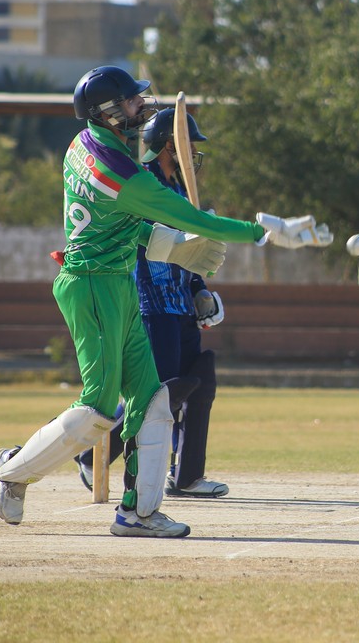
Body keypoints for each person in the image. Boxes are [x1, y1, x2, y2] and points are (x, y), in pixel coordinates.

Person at [0, 65, 332, 538]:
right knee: (98, 408)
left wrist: (175, 248)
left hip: (117, 281)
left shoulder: (84, 144)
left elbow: (121, 225)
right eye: (132, 100)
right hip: (91, 286)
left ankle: (138, 513)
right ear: (109, 112)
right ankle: (12, 470)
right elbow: (192, 218)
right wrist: (265, 231)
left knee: (153, 401)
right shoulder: (124, 174)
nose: (142, 105)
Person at [75, 107, 230, 498]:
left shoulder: (180, 191)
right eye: (187, 145)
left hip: (180, 306)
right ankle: (93, 455)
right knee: (157, 393)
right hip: (151, 305)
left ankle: (187, 475)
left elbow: (188, 253)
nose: (193, 152)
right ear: (167, 146)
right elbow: (143, 243)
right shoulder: (142, 184)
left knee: (198, 381)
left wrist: (199, 289)